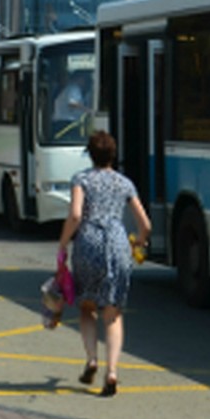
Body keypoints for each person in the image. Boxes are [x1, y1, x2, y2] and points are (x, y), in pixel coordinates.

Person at [58, 130, 151, 397]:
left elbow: (75, 215)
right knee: (112, 313)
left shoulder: (82, 180)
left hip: (88, 245)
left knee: (87, 308)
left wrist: (64, 243)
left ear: (90, 154)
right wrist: (138, 243)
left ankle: (91, 360)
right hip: (118, 245)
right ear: (113, 155)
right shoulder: (124, 183)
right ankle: (112, 372)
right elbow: (145, 224)